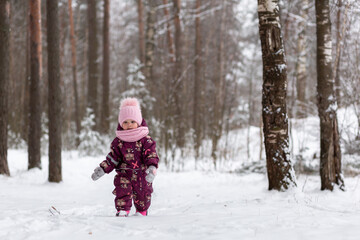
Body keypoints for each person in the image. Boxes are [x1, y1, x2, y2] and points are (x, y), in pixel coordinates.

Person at [91, 97, 159, 217]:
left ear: (138, 121)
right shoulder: (118, 141)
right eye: (125, 122)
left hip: (142, 174)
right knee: (122, 190)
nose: (129, 125)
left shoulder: (145, 140)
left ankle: (141, 211)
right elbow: (112, 158)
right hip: (125, 173)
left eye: (132, 122)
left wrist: (152, 166)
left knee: (143, 195)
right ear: (121, 123)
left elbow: (151, 154)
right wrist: (103, 168)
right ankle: (123, 209)